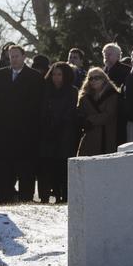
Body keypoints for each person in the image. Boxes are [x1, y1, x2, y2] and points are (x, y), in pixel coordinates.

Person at [0, 44, 45, 201]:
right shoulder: (1, 74)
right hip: (4, 130)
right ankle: (5, 197)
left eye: (16, 56)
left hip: (25, 131)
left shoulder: (34, 77)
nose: (13, 59)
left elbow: (37, 104)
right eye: (11, 56)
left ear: (23, 57)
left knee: (25, 168)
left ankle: (26, 198)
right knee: (5, 167)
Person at [38, 62, 79, 203]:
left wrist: (59, 124)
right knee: (48, 165)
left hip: (65, 133)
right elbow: (42, 111)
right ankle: (48, 194)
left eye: (59, 74)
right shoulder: (45, 90)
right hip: (47, 133)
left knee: (63, 166)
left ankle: (64, 196)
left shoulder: (72, 91)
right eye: (54, 74)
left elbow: (70, 112)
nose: (56, 77)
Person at [76, 67, 120, 156]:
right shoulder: (84, 97)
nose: (93, 81)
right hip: (90, 136)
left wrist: (89, 120)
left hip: (107, 135)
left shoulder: (112, 95)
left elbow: (109, 115)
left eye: (97, 78)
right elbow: (80, 113)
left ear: (104, 79)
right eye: (90, 78)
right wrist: (82, 120)